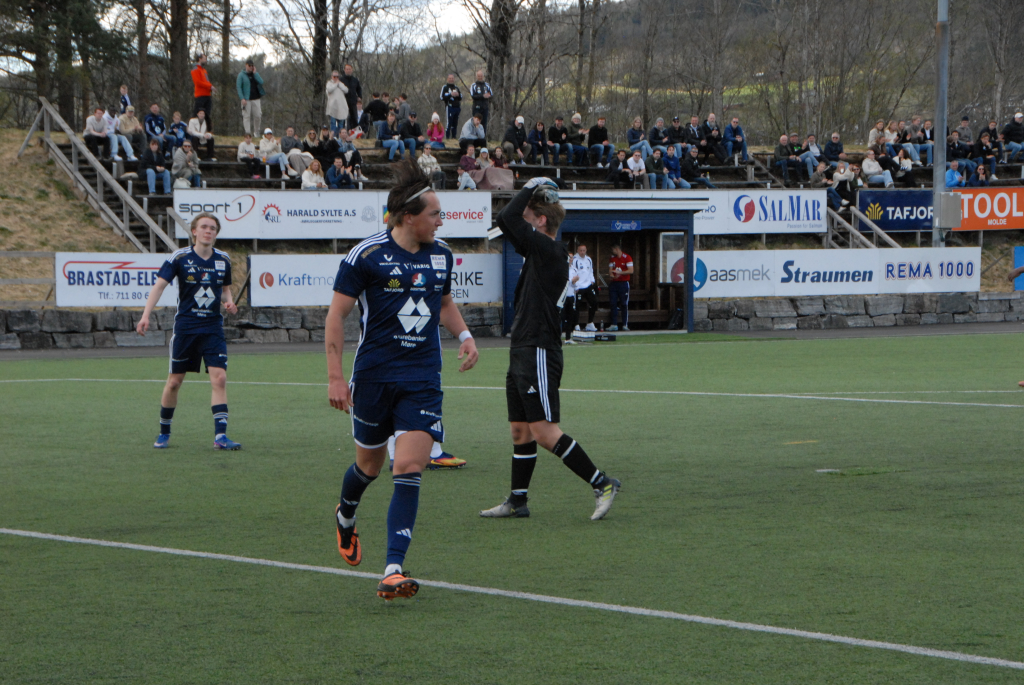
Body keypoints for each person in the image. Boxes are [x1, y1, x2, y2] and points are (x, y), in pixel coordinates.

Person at [326, 158, 478, 599]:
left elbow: (443, 303)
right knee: (369, 466)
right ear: (409, 217)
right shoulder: (366, 255)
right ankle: (346, 515)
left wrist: (465, 336)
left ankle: (393, 568)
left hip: (422, 376)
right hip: (374, 377)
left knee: (409, 466)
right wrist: (336, 377)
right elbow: (335, 316)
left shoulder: (442, 254)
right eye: (435, 214)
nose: (441, 221)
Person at [480, 177, 619, 521]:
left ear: (541, 221)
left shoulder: (548, 249)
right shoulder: (541, 250)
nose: (526, 219)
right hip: (523, 347)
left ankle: (602, 483)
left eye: (531, 216)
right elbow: (510, 223)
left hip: (539, 349)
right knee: (520, 430)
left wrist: (530, 186)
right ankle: (518, 500)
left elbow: (506, 218)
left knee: (543, 431)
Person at [136, 212, 240, 451]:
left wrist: (229, 302)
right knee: (174, 382)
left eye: (213, 228)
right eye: (204, 227)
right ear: (194, 231)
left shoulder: (223, 259)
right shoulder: (180, 257)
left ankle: (220, 437)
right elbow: (159, 286)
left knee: (220, 378)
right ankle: (164, 432)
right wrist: (145, 315)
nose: (208, 231)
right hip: (186, 328)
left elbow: (225, 289)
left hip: (212, 329)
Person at [571, 244, 598, 331]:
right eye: (580, 250)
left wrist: (592, 280)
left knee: (594, 302)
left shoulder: (588, 259)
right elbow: (573, 272)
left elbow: (590, 271)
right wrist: (576, 285)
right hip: (579, 286)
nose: (582, 252)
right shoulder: (575, 260)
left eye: (584, 250)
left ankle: (590, 323)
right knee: (577, 305)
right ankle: (576, 324)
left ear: (586, 250)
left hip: (588, 285)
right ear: (577, 251)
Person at [236, 59, 265, 136]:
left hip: (256, 98)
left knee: (258, 115)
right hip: (246, 99)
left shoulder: (255, 74)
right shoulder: (241, 75)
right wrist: (242, 98)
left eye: (252, 66)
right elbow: (239, 87)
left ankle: (256, 132)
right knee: (246, 116)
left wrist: (255, 73)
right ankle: (248, 133)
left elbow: (261, 82)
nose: (251, 67)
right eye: (249, 66)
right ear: (246, 65)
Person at [607, 244, 632, 332]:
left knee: (624, 304)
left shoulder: (627, 257)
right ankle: (614, 324)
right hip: (614, 283)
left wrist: (620, 273)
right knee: (613, 303)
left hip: (623, 283)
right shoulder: (612, 258)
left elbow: (631, 270)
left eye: (613, 249)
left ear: (617, 249)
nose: (612, 251)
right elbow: (610, 270)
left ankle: (625, 324)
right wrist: (612, 275)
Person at [191, 53, 214, 131]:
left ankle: (206, 130)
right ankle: (193, 130)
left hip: (207, 94)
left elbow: (207, 81)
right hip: (200, 95)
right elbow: (197, 82)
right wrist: (210, 86)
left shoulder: (204, 70)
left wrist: (210, 88)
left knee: (207, 114)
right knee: (197, 113)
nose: (206, 60)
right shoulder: (195, 69)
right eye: (204, 58)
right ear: (200, 59)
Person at [325, 70, 350, 137]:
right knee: (333, 123)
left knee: (341, 124)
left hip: (341, 107)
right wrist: (336, 84)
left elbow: (346, 90)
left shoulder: (340, 83)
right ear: (331, 76)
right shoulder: (329, 83)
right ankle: (333, 137)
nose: (336, 78)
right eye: (334, 76)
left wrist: (339, 84)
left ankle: (340, 137)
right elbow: (329, 89)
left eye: (337, 76)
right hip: (333, 107)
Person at [440, 74, 462, 139]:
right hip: (449, 107)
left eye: (452, 78)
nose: (451, 80)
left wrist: (458, 95)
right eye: (450, 78)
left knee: (455, 123)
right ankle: (447, 137)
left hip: (457, 107)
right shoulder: (445, 87)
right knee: (449, 122)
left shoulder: (456, 87)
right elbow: (441, 97)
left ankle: (454, 137)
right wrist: (450, 94)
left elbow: (461, 97)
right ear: (447, 79)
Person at [340, 63, 362, 130]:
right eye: (347, 69)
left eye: (349, 69)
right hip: (343, 102)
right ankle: (342, 132)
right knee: (343, 118)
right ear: (344, 70)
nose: (348, 70)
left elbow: (359, 89)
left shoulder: (355, 80)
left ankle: (354, 131)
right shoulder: (341, 80)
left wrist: (359, 96)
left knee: (354, 118)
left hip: (353, 101)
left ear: (352, 70)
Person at [563, 258, 578, 344]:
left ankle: (568, 338)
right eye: (569, 257)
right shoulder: (562, 268)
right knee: (561, 317)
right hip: (563, 296)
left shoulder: (574, 269)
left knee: (570, 317)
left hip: (571, 296)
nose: (570, 259)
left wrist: (574, 282)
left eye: (572, 258)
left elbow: (575, 285)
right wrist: (571, 281)